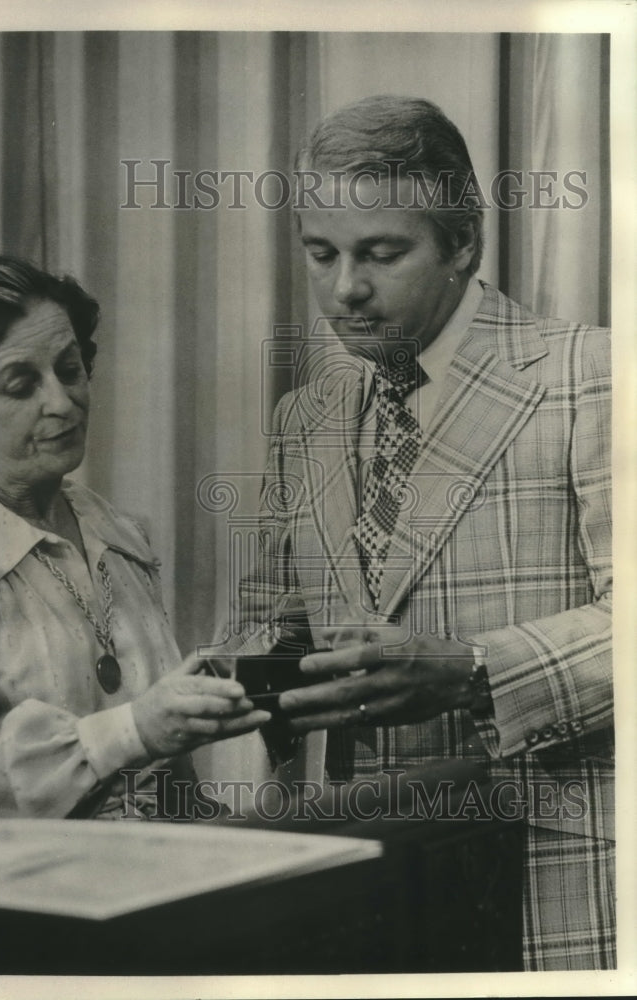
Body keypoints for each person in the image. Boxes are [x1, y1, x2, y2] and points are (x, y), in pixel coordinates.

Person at [233, 96, 613, 970]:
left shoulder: (589, 376)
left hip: (555, 885)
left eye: (380, 253)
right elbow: (278, 625)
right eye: (320, 253)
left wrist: (468, 670)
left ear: (463, 245)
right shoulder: (305, 418)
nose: (344, 289)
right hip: (373, 894)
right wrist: (241, 675)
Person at [0, 254, 270, 821]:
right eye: (21, 384)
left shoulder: (116, 532)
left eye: (69, 369)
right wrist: (135, 729)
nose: (61, 401)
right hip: (26, 894)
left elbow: (172, 774)